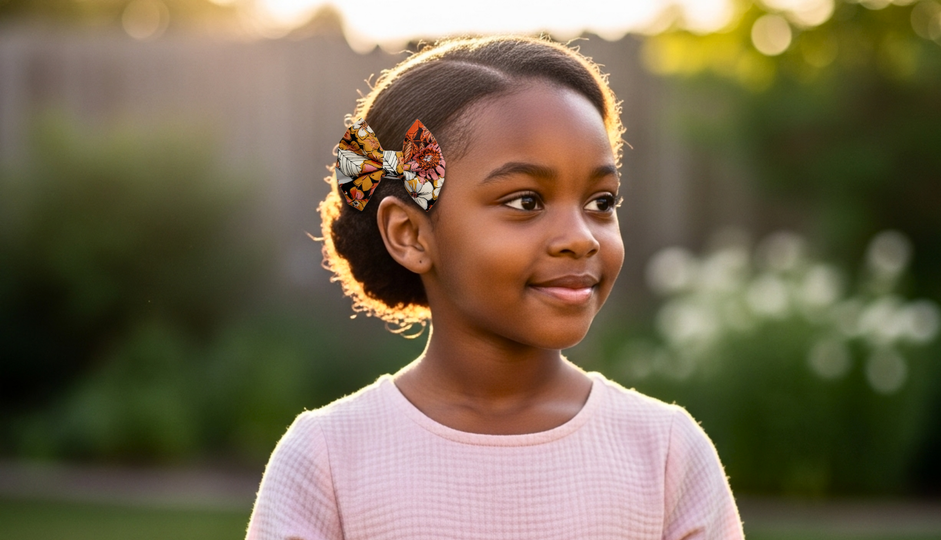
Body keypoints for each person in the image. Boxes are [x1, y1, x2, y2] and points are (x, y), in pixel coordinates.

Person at [245, 35, 744, 540]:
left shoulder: (665, 454)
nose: (580, 238)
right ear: (410, 234)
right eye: (526, 202)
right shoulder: (329, 458)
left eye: (601, 202)